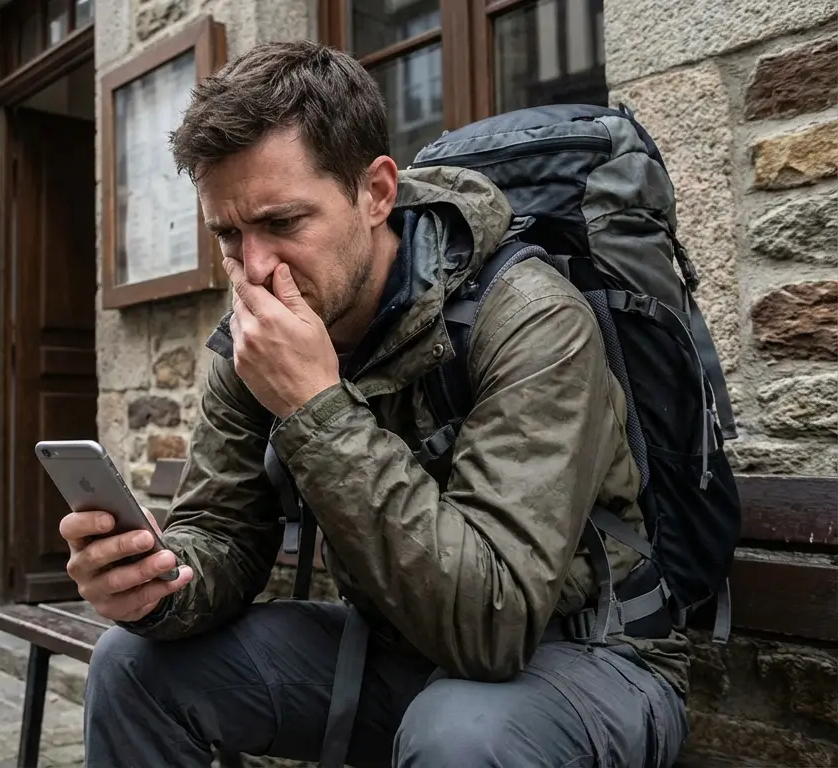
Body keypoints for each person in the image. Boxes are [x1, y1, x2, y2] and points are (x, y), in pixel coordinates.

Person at [61, 41, 688, 768]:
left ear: (376, 193)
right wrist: (160, 584)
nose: (254, 268)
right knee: (131, 665)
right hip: (399, 650)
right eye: (228, 234)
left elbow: (495, 622)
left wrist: (315, 405)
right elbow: (222, 531)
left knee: (458, 735)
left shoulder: (531, 318)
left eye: (283, 223)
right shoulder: (256, 339)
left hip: (585, 655)